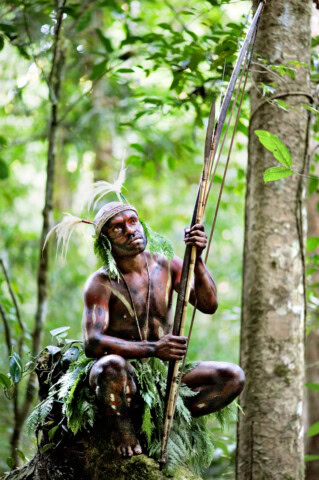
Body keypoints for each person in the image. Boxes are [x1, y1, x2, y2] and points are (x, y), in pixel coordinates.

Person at [82, 201, 245, 458]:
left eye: (133, 222)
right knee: (110, 366)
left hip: (162, 376)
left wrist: (197, 258)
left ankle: (167, 417)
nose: (130, 230)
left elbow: (208, 304)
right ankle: (123, 430)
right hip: (124, 378)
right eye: (117, 228)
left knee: (232, 377)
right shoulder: (101, 283)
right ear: (105, 242)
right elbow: (92, 343)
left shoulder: (167, 266)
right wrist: (154, 348)